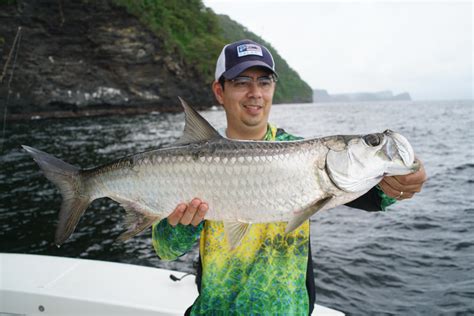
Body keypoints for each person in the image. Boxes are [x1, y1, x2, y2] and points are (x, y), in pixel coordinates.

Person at [152, 39, 427, 315]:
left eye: (265, 82)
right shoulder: (188, 162)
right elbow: (165, 249)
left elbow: (370, 194)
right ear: (219, 91)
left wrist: (399, 185)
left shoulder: (304, 152)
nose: (255, 93)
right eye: (241, 81)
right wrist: (184, 225)